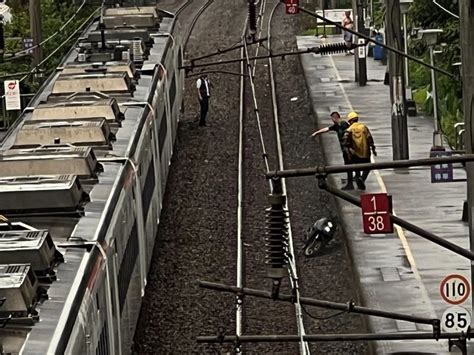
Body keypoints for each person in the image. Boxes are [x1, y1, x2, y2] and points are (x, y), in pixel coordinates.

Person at [311, 111, 353, 189]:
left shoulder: (344, 124)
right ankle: (352, 181)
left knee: (349, 165)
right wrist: (316, 133)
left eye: (332, 119)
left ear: (335, 118)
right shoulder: (336, 126)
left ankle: (351, 184)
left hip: (348, 149)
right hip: (344, 148)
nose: (332, 121)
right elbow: (327, 129)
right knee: (348, 165)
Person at [342, 111, 377, 191]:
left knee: (356, 167)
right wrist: (373, 148)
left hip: (355, 153)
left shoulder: (349, 130)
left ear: (350, 121)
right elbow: (369, 138)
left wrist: (348, 149)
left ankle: (358, 178)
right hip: (365, 152)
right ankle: (362, 179)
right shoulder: (364, 127)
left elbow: (344, 141)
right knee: (368, 167)